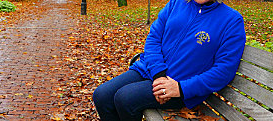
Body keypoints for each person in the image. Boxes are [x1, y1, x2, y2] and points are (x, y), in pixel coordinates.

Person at [91, 0, 245, 120]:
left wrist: (180, 88)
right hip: (151, 70)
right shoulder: (176, 3)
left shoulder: (231, 20)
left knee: (125, 98)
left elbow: (224, 70)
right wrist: (159, 74)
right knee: (102, 95)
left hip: (183, 87)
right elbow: (153, 38)